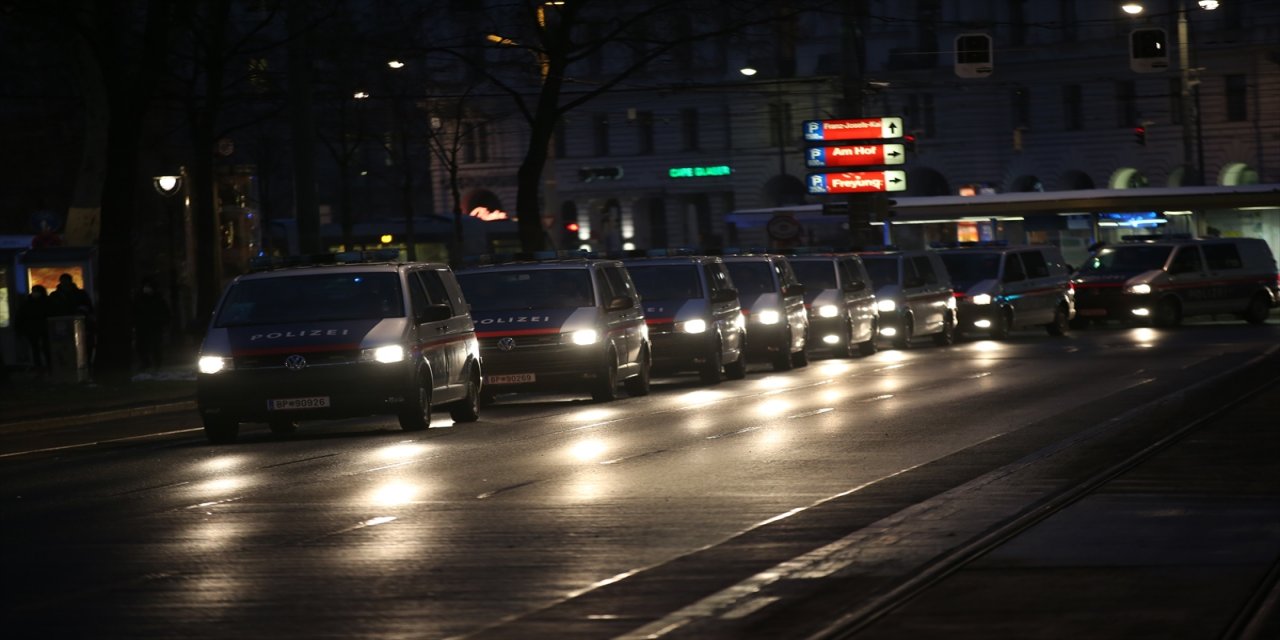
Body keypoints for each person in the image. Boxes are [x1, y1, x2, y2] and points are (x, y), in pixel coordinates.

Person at [133, 279, 172, 371]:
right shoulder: (139, 298)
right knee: (142, 346)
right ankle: (145, 363)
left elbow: (166, 312)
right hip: (143, 326)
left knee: (156, 346)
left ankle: (157, 364)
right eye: (145, 286)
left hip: (155, 326)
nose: (146, 288)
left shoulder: (159, 299)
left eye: (148, 286)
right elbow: (135, 312)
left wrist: (163, 322)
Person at [15, 285, 52, 373]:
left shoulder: (30, 303)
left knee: (44, 349)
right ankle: (43, 367)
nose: (34, 293)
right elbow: (20, 316)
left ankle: (45, 367)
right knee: (38, 349)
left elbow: (20, 316)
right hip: (35, 330)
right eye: (34, 291)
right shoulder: (30, 303)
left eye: (36, 291)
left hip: (39, 329)